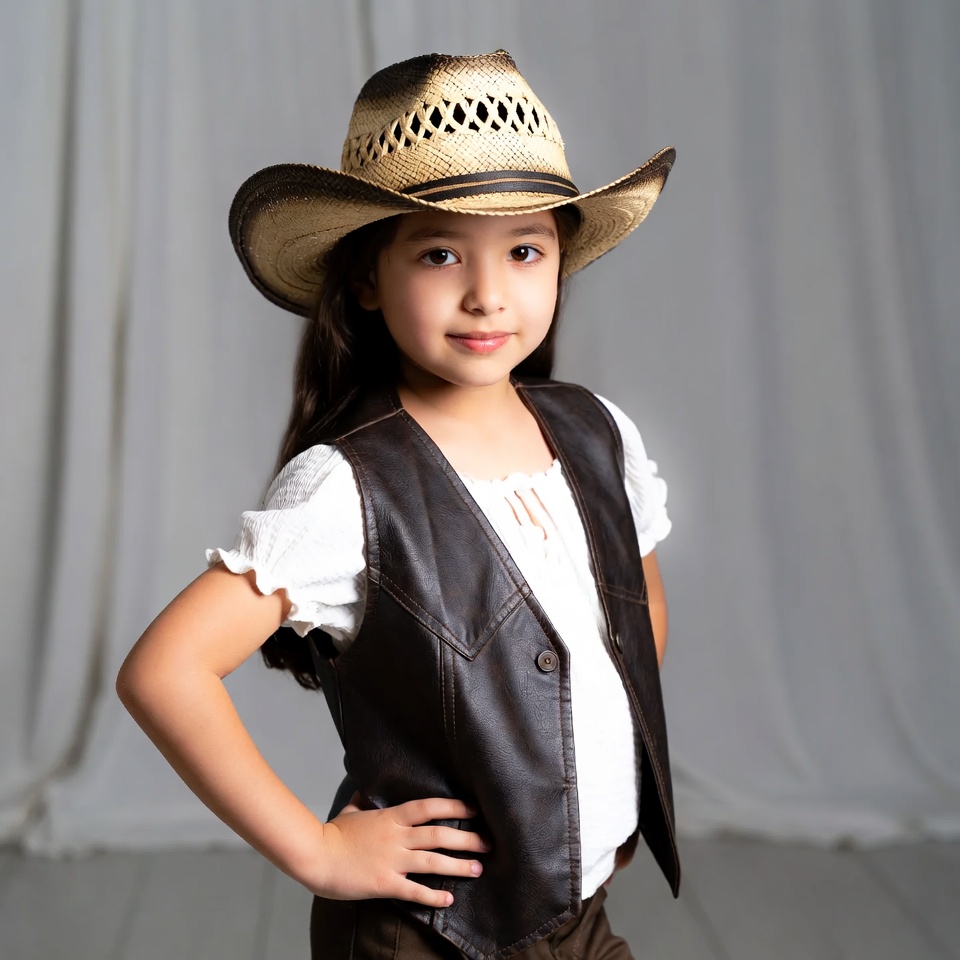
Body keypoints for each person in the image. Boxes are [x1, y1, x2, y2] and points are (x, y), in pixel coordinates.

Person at [117, 50, 680, 960]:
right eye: (439, 252)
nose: (487, 292)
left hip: (573, 910)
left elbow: (633, 604)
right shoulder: (349, 488)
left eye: (525, 251)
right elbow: (164, 671)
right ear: (369, 280)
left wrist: (594, 782)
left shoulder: (596, 433)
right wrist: (319, 850)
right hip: (426, 931)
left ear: (561, 261)